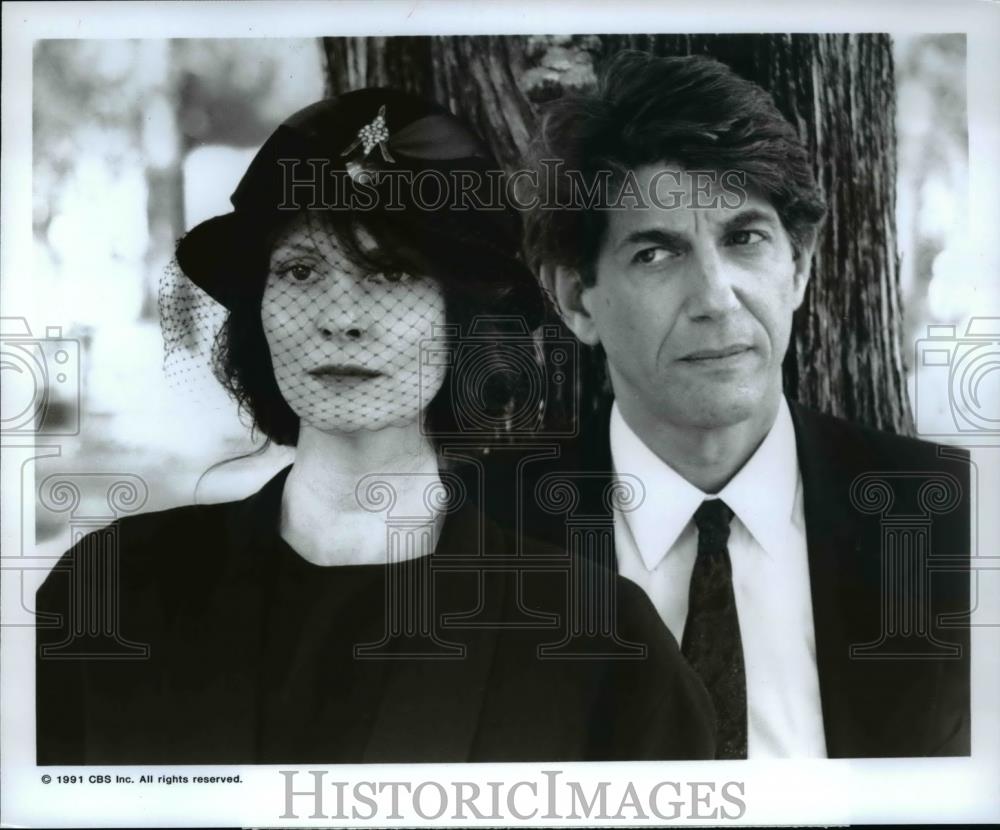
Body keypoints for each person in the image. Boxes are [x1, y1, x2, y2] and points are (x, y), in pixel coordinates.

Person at [35, 88, 716, 765]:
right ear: (259, 310)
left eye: (391, 272)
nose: (340, 318)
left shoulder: (602, 643)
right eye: (301, 271)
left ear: (464, 319)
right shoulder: (111, 590)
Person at [521, 51, 971, 759]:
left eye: (745, 239)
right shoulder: (478, 540)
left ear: (798, 266)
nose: (716, 298)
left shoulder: (957, 519)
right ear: (577, 299)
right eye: (656, 254)